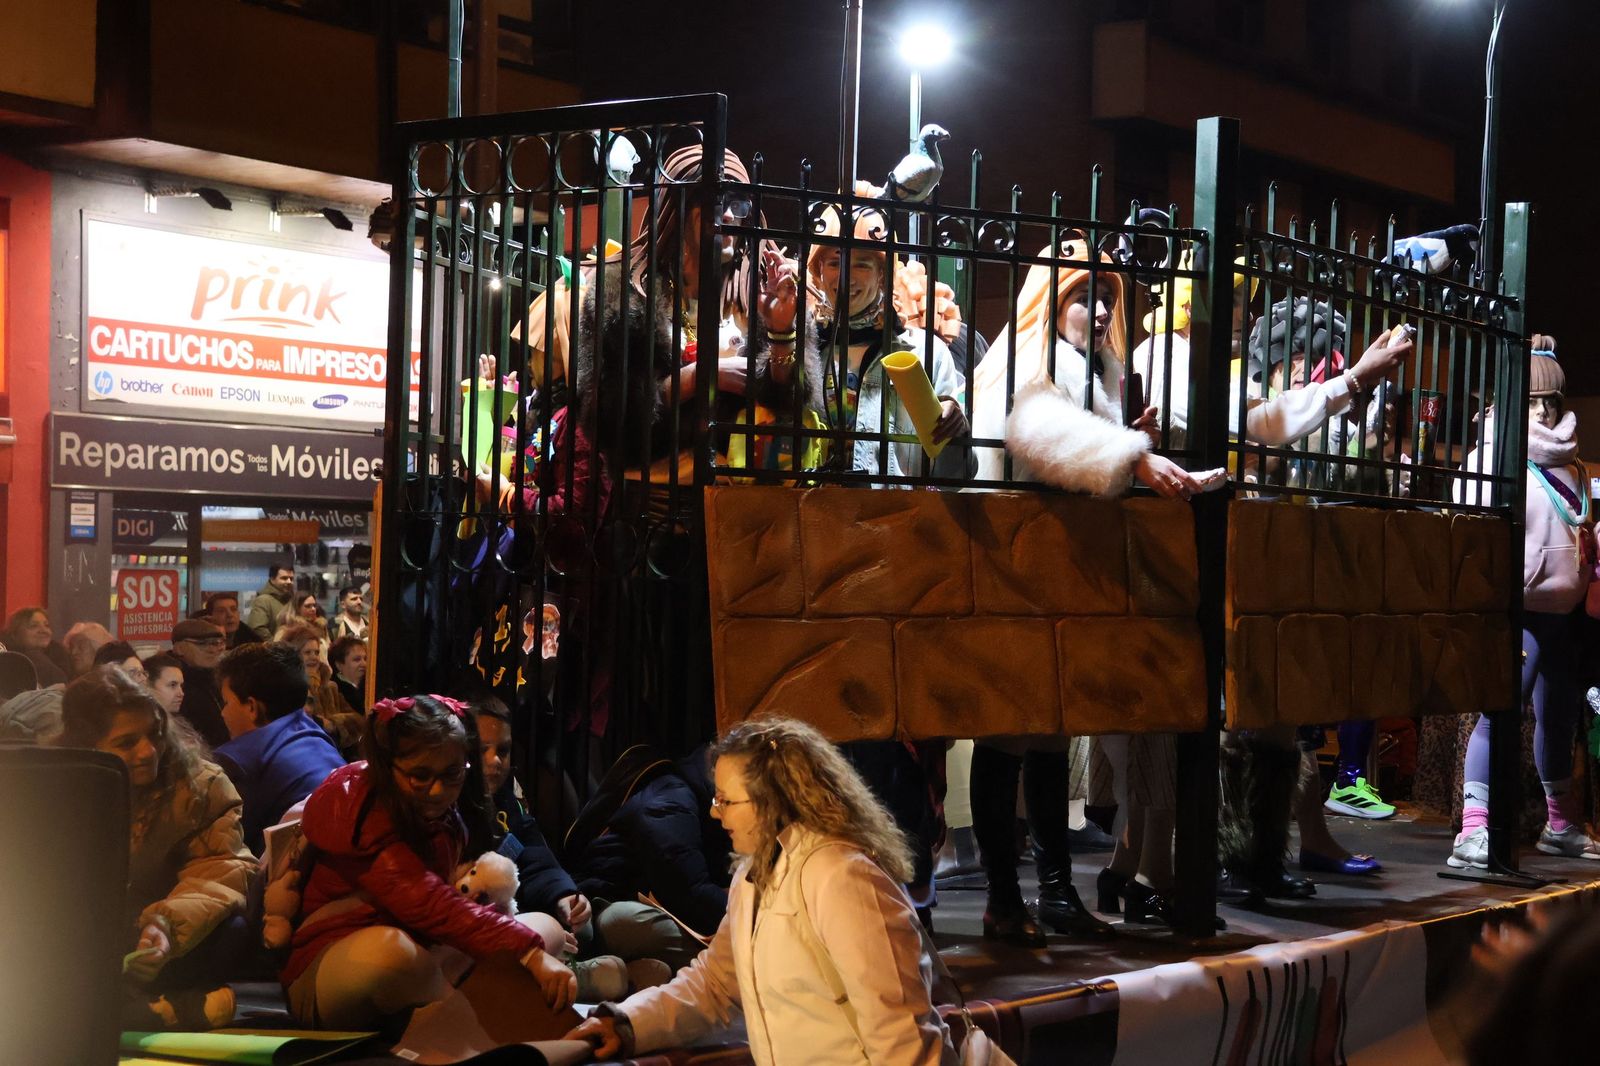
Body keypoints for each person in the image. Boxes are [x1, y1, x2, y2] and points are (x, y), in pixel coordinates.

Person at [966, 239, 1183, 944]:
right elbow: (1034, 427)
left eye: (1108, 299)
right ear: (1050, 301)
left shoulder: (1099, 368)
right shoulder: (1030, 354)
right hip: (1018, 562)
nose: (1098, 310)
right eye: (1083, 296)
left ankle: (1055, 893)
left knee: (1054, 727)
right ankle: (1005, 898)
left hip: (1065, 569)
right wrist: (1129, 453)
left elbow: (1077, 440)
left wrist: (1127, 439)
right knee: (1007, 732)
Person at [565, 717, 955, 1065]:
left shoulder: (843, 878)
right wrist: (626, 1024)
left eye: (726, 800)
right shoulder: (752, 877)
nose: (715, 812)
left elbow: (902, 1040)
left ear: (775, 799)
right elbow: (714, 984)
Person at [282, 694, 576, 1029]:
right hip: (330, 969)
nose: (437, 790)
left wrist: (528, 944)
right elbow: (430, 903)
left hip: (425, 953)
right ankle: (462, 1016)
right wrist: (529, 954)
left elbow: (446, 910)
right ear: (388, 766)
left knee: (544, 928)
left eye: (452, 773)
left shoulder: (445, 814)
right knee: (392, 955)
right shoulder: (366, 816)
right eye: (420, 775)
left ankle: (458, 1006)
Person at [1449, 337, 1597, 868]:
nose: (1543, 410)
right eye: (1533, 401)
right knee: (1498, 714)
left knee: (1558, 718)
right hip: (1520, 610)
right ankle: (1473, 830)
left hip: (1565, 613)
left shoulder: (1571, 463)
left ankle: (1560, 824)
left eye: (1551, 401)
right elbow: (1468, 533)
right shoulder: (1495, 457)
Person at [57, 666, 256, 1030]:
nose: (148, 751)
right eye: (126, 743)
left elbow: (219, 870)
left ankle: (125, 1010)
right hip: (79, 941)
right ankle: (162, 1012)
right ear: (86, 746)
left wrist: (164, 925)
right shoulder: (54, 789)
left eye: (155, 734)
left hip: (161, 940)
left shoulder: (199, 784)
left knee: (234, 929)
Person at [564, 742, 732, 972]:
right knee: (717, 950)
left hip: (645, 901)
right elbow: (689, 892)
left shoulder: (693, 798)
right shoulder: (670, 802)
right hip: (605, 905)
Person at [213, 642, 345, 854]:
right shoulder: (315, 733)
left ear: (252, 707)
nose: (223, 713)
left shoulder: (236, 762)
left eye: (226, 702)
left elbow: (226, 850)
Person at [274, 620, 362, 754]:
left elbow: (358, 721)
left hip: (334, 755)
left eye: (316, 652)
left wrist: (333, 723)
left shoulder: (330, 686)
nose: (314, 657)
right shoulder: (286, 690)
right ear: (294, 655)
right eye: (307, 652)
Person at [170, 619, 229, 748]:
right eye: (203, 643)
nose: (214, 649)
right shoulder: (172, 681)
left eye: (218, 643)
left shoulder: (217, 677)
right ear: (179, 648)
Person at [2, 607, 69, 687]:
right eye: (34, 626)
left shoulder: (62, 659)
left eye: (47, 625)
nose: (43, 630)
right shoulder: (5, 661)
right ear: (14, 634)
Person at [244, 563, 296, 642]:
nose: (289, 582)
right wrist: (275, 646)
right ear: (272, 579)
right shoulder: (263, 600)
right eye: (284, 578)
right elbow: (257, 628)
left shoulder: (292, 601)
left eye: (291, 579)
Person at [329, 636, 366, 714]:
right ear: (339, 665)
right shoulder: (334, 690)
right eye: (357, 659)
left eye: (365, 659)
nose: (364, 664)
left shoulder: (371, 687)